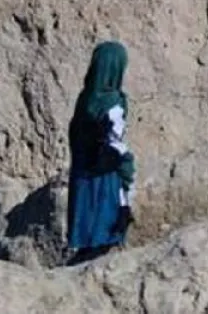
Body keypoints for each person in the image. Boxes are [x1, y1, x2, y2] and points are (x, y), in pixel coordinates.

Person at [67, 42, 135, 263]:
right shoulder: (114, 102)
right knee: (104, 231)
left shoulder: (84, 99)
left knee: (85, 226)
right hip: (104, 175)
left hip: (82, 172)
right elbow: (115, 142)